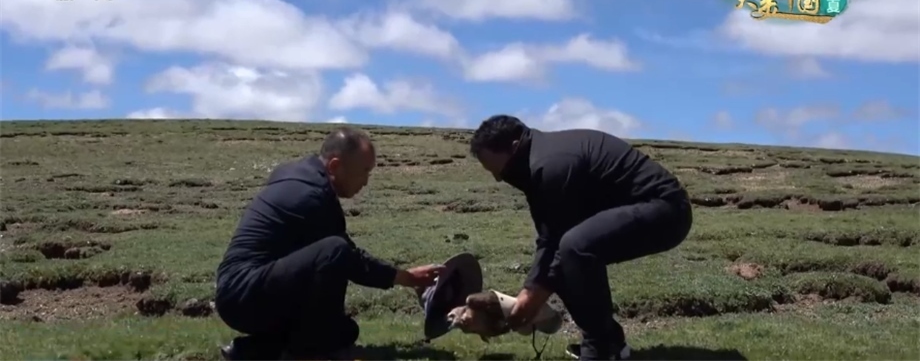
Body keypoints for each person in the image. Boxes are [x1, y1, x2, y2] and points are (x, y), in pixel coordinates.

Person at [469, 115, 693, 361]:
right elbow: (548, 239)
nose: (499, 179)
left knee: (573, 248)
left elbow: (558, 243)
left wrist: (530, 300)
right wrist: (528, 292)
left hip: (667, 211)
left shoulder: (551, 165)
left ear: (514, 147)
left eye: (501, 172)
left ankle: (599, 351)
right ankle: (611, 344)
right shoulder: (537, 159)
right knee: (565, 259)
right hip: (643, 209)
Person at [214, 126, 444, 360]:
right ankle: (308, 353)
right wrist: (406, 278)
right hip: (245, 294)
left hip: (240, 291)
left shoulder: (300, 176)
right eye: (364, 171)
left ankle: (251, 351)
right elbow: (349, 258)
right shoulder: (312, 196)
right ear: (334, 166)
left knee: (345, 331)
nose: (366, 181)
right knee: (335, 252)